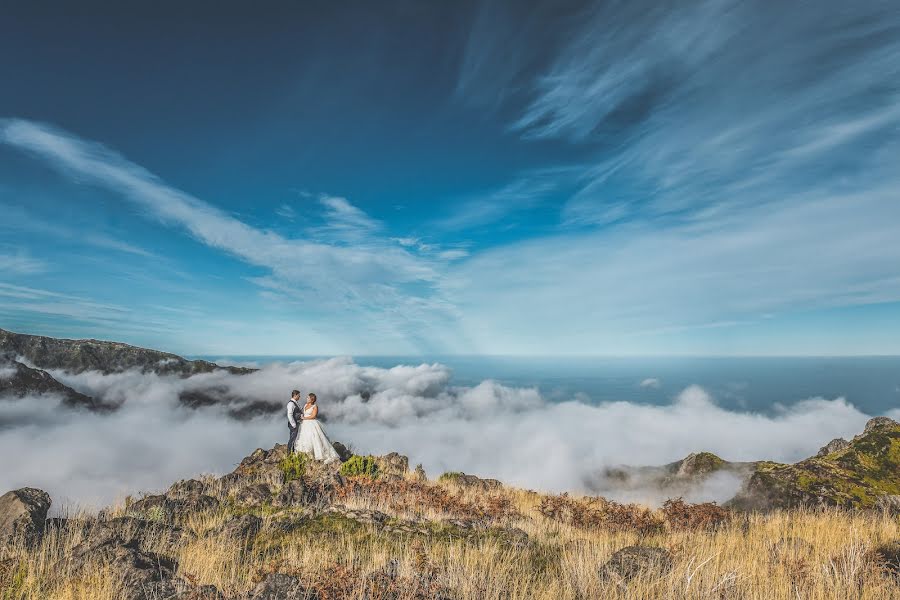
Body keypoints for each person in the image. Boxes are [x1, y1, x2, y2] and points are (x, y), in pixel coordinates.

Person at [294, 392, 341, 463]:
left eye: (308, 398)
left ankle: (317, 454)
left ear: (311, 399)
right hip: (304, 424)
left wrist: (305, 418)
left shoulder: (315, 406)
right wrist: (301, 417)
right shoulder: (305, 405)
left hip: (311, 423)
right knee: (304, 438)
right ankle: (306, 454)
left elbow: (313, 416)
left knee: (314, 438)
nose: (306, 398)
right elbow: (303, 413)